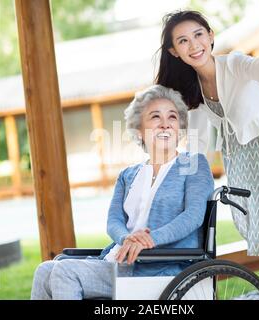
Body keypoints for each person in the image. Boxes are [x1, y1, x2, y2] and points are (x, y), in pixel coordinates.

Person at [155, 10, 259, 300]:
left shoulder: (234, 64)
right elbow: (197, 145)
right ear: (174, 52)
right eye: (183, 41)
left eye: (199, 35)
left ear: (211, 36)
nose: (194, 45)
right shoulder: (192, 93)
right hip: (247, 175)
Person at [30, 84, 214, 300]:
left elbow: (193, 216)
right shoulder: (128, 174)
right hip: (121, 260)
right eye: (155, 117)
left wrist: (150, 240)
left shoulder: (193, 165)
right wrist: (127, 238)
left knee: (65, 272)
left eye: (172, 117)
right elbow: (113, 221)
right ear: (139, 131)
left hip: (161, 264)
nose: (165, 124)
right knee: (44, 270)